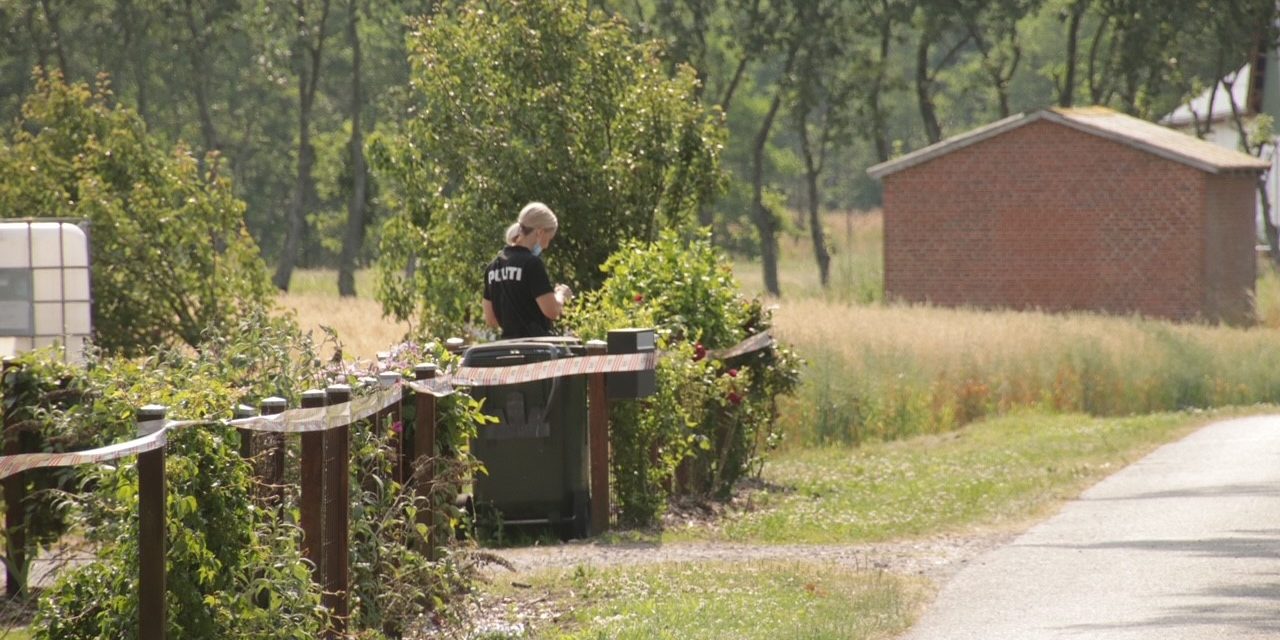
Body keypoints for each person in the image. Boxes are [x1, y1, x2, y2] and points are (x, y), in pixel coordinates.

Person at [483, 202, 574, 339]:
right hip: (534, 348)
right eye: (549, 239)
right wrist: (561, 294)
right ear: (540, 232)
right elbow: (552, 311)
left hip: (507, 348)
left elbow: (491, 320)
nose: (547, 245)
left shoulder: (493, 266)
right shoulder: (532, 264)